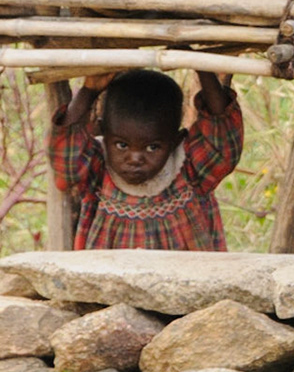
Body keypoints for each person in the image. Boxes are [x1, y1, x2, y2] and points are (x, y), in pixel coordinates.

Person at [50, 68, 244, 251]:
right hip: (111, 283)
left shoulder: (188, 170)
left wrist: (203, 69)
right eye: (122, 145)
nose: (135, 159)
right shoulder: (98, 169)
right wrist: (89, 91)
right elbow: (66, 160)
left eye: (152, 147)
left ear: (175, 141)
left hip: (182, 283)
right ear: (103, 133)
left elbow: (223, 140)